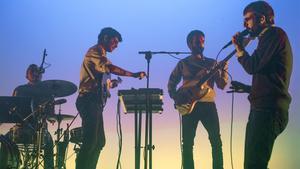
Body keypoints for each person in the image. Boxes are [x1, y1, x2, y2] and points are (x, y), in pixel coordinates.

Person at [231, 1, 293, 169]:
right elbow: (271, 79)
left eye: (248, 19)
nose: (245, 24)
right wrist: (247, 88)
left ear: (262, 19)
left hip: (267, 111)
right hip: (264, 108)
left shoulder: (273, 34)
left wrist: (239, 47)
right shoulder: (269, 37)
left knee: (254, 164)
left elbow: (252, 66)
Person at [75, 27, 146, 169]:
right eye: (114, 41)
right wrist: (132, 74)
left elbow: (100, 79)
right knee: (90, 141)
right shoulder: (95, 51)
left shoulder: (102, 56)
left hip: (94, 102)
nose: (116, 45)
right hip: (88, 100)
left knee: (99, 142)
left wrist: (109, 85)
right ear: (105, 38)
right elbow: (110, 68)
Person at [168, 30, 228, 169]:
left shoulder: (212, 63)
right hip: (188, 105)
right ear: (189, 44)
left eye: (202, 41)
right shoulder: (183, 63)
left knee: (216, 141)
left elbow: (222, 85)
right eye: (197, 41)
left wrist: (223, 70)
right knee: (187, 143)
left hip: (208, 104)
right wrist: (176, 97)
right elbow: (172, 83)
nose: (200, 44)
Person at [0, 64, 55, 169]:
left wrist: (51, 117)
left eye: (37, 72)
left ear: (41, 75)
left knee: (49, 142)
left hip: (39, 130)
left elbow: (51, 115)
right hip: (20, 129)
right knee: (5, 140)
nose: (35, 73)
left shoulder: (47, 92)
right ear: (27, 75)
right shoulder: (20, 90)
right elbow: (10, 110)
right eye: (32, 71)